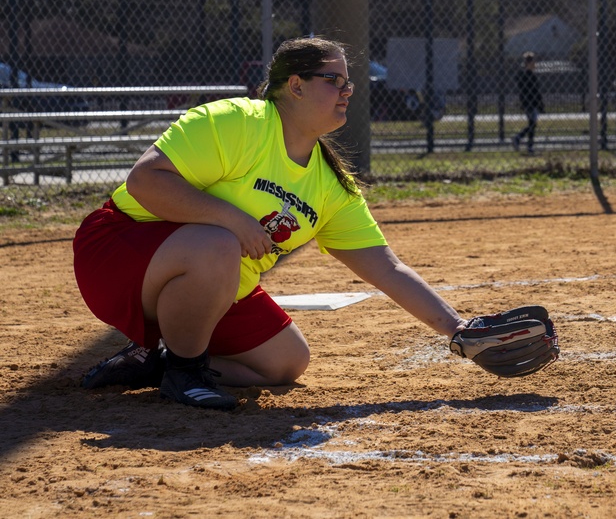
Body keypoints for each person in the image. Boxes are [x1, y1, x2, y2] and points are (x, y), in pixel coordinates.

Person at [74, 36, 557, 410]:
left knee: (285, 362)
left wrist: (457, 329)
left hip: (205, 280)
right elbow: (144, 180)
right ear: (296, 86)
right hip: (117, 254)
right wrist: (231, 218)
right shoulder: (239, 121)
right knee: (218, 243)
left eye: (350, 82)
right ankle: (185, 373)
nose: (348, 90)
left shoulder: (331, 186)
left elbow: (386, 268)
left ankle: (156, 361)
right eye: (335, 80)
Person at [512, 51, 544, 155]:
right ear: (529, 63)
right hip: (530, 102)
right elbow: (532, 91)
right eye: (533, 62)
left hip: (530, 102)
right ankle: (521, 140)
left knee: (532, 124)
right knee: (532, 124)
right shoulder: (527, 76)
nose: (535, 64)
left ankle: (524, 141)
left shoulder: (528, 76)